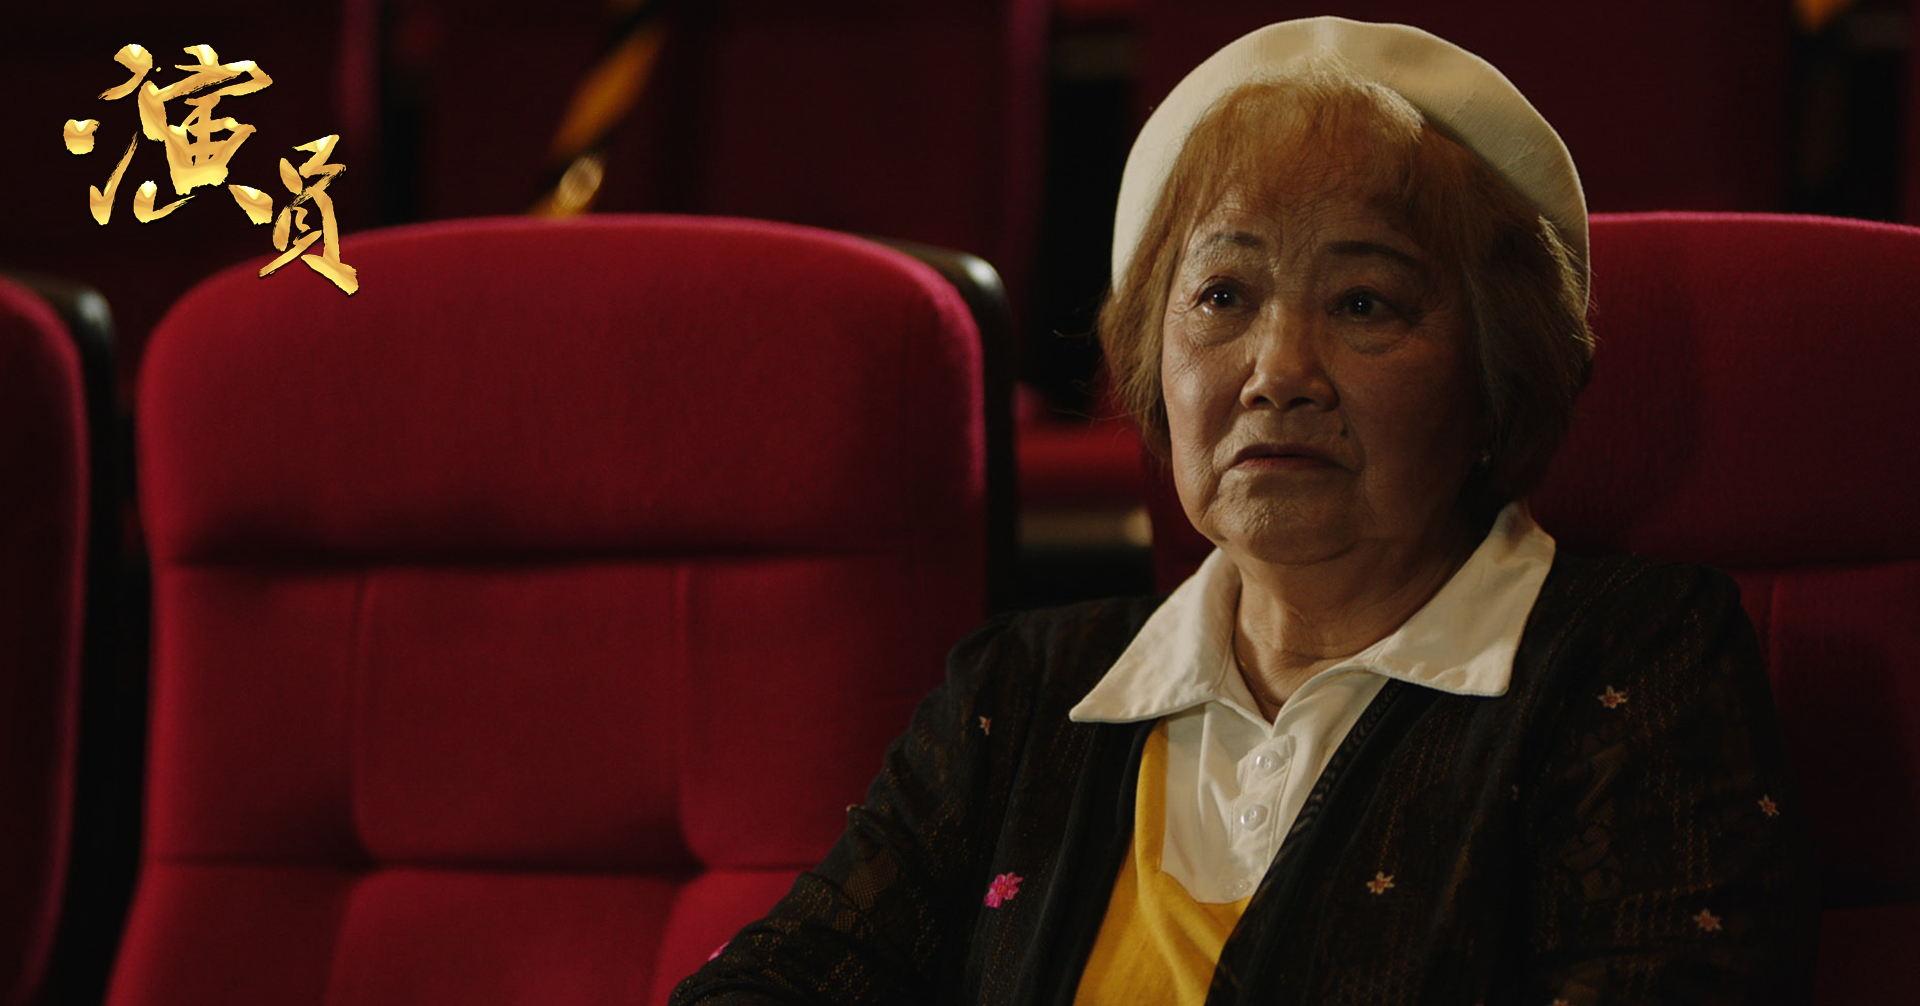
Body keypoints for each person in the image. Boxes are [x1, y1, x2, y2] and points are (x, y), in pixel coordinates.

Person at [672, 17, 1817, 1005]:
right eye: (1223, 295)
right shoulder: (1020, 691)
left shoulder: (1633, 661)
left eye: (1364, 303)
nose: (1278, 372)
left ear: (1496, 371)